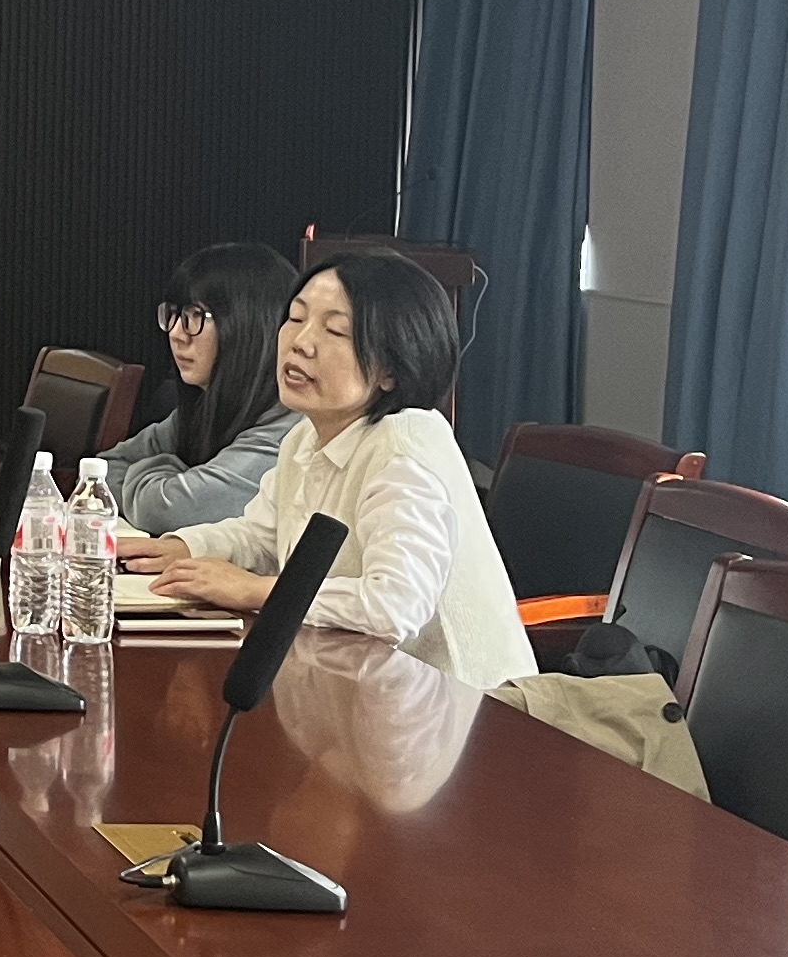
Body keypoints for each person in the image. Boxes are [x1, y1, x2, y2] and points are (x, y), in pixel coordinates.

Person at [117, 246, 534, 695]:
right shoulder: (305, 435)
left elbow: (393, 606)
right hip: (362, 688)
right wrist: (184, 547)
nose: (300, 342)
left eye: (334, 330)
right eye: (295, 318)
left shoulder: (405, 448)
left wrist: (255, 590)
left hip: (467, 708)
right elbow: (261, 535)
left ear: (391, 369)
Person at [104, 242, 299, 538]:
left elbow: (171, 511)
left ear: (249, 325)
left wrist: (163, 469)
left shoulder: (287, 426)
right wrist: (171, 477)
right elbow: (104, 468)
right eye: (174, 314)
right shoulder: (207, 403)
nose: (176, 333)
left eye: (195, 316)